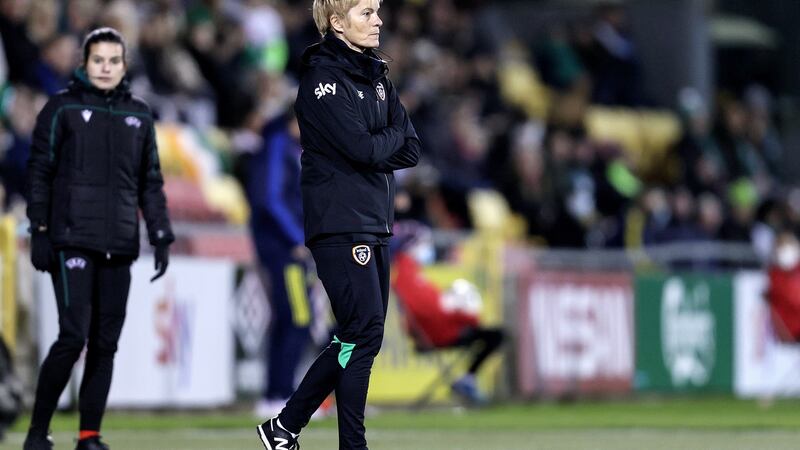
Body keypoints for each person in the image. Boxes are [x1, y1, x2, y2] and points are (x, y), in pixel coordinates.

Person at [256, 1, 420, 449]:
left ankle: (284, 427)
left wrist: (378, 144)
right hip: (341, 222)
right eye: (366, 12)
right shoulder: (322, 81)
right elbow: (366, 149)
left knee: (358, 335)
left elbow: (411, 147)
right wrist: (384, 141)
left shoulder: (377, 76)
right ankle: (348, 443)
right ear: (337, 22)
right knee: (362, 332)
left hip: (374, 221)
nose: (378, 20)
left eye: (377, 11)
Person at [24, 27, 174, 450]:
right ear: (84, 64)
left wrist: (160, 234)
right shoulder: (61, 108)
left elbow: (150, 181)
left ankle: (89, 436)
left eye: (113, 61)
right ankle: (37, 433)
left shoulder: (140, 114)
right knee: (73, 337)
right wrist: (38, 230)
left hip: (120, 244)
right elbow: (39, 172)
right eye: (98, 60)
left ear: (124, 66)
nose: (105, 68)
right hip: (71, 239)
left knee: (105, 344)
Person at [240, 111, 313, 418]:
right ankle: (279, 394)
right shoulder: (277, 145)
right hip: (283, 248)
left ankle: (278, 393)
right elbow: (270, 199)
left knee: (290, 319)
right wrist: (297, 237)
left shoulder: (287, 146)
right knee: (297, 318)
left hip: (288, 246)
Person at [390, 221, 504, 405]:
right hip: (439, 335)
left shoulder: (410, 273)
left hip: (439, 330)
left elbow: (433, 307)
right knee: (496, 335)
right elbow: (429, 311)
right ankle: (468, 379)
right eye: (424, 244)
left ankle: (467, 380)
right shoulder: (407, 275)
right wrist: (465, 315)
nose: (428, 248)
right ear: (412, 246)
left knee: (494, 334)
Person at [765, 231, 800, 342]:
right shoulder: (772, 276)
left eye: (788, 244)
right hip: (785, 337)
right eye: (782, 246)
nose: (785, 250)